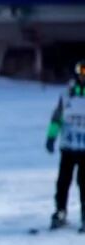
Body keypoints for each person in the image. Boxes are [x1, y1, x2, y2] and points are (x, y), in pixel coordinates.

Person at [46, 60, 85, 231]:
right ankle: (60, 211)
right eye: (82, 71)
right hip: (68, 146)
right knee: (63, 181)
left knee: (84, 182)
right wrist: (51, 137)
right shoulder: (67, 94)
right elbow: (57, 118)